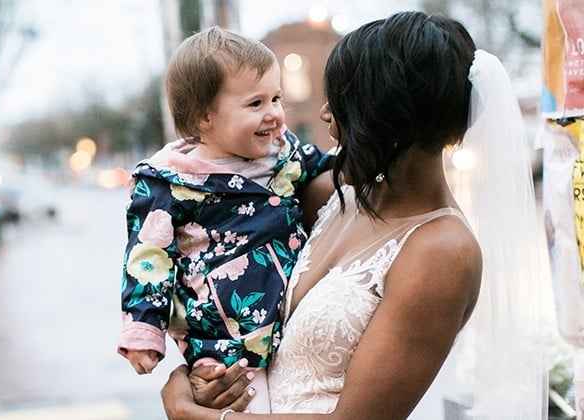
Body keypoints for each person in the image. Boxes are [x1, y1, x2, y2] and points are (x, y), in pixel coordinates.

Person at [158, 10, 541, 419]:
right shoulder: (327, 194)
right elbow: (209, 265)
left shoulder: (442, 252)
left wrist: (198, 417)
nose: (325, 115)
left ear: (388, 116)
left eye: (343, 103)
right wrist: (187, 377)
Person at [117, 26, 334, 414]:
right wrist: (144, 331)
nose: (274, 114)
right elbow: (148, 258)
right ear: (205, 119)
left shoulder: (283, 154)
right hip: (222, 341)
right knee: (240, 406)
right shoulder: (170, 182)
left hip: (293, 321)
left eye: (276, 98)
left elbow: (325, 166)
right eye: (255, 104)